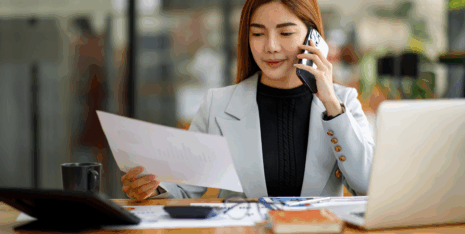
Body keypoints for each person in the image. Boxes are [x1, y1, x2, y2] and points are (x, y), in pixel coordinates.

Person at [121, 0, 374, 201]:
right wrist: (151, 188)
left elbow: (367, 186)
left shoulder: (343, 102)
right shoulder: (217, 105)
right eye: (258, 34)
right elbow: (183, 189)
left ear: (313, 39)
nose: (271, 46)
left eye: (285, 32)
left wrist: (330, 102)